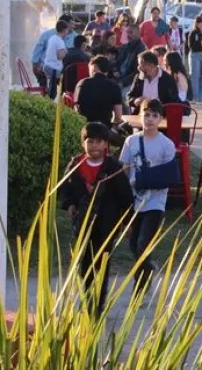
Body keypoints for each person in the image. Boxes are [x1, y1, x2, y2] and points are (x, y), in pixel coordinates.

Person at [60, 122, 134, 318]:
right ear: (83, 143)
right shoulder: (75, 165)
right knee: (84, 265)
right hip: (82, 224)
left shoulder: (113, 167)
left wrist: (127, 222)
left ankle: (97, 306)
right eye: (89, 141)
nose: (94, 146)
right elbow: (64, 190)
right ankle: (86, 300)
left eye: (98, 142)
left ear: (105, 145)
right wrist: (69, 205)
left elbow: (125, 197)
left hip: (106, 224)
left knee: (101, 263)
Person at [119, 99, 177, 296]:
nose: (150, 119)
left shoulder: (166, 144)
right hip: (134, 201)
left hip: (155, 202)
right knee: (134, 244)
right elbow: (124, 166)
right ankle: (148, 267)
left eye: (154, 115)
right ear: (140, 115)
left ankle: (140, 290)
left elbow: (170, 175)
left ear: (161, 118)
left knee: (144, 244)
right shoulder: (131, 141)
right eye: (146, 114)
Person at [74, 56, 124, 127]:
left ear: (93, 68)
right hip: (104, 130)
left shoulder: (81, 83)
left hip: (83, 128)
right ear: (106, 71)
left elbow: (76, 109)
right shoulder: (114, 86)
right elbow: (118, 117)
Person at [31, 15, 77, 87]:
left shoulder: (75, 37)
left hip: (65, 69)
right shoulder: (48, 34)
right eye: (71, 23)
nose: (74, 25)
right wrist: (35, 64)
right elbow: (38, 49)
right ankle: (47, 93)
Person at [43, 20, 70, 99]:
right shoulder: (60, 41)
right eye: (67, 30)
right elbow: (60, 56)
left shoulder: (52, 38)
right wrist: (66, 51)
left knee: (53, 87)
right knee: (54, 91)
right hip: (54, 68)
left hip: (47, 65)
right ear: (64, 30)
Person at [187, 16, 202, 100]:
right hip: (195, 55)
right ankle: (195, 97)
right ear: (196, 23)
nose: (201, 24)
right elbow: (191, 45)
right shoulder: (193, 33)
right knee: (195, 76)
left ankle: (201, 97)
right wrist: (199, 42)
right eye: (200, 22)